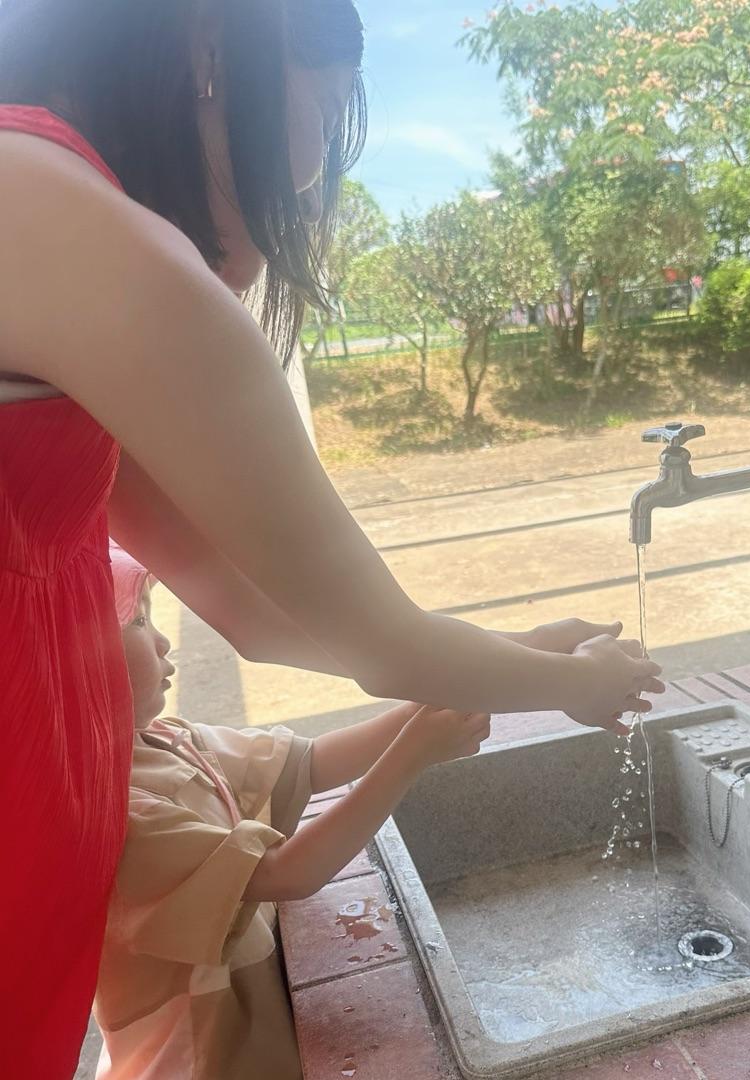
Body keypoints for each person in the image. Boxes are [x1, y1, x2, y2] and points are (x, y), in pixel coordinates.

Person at [0, 1, 661, 1074]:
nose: (290, 217)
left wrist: (521, 655)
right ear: (213, 49)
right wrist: (574, 686)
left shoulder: (49, 220)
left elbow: (265, 616)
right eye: (308, 148)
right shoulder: (63, 218)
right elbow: (380, 643)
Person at [96, 545, 482, 1079]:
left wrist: (437, 701)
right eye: (138, 622)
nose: (163, 641)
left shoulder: (167, 739)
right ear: (70, 662)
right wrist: (412, 755)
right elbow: (287, 872)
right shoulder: (119, 814)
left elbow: (310, 761)